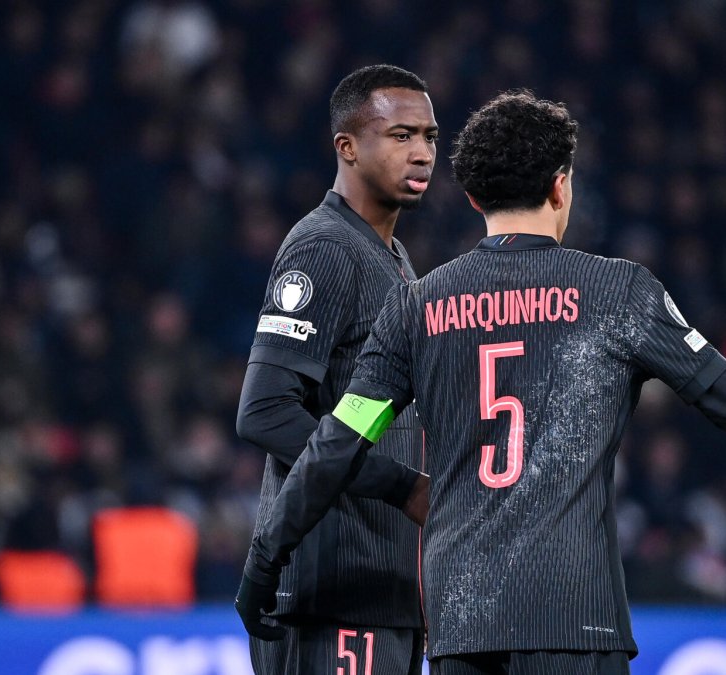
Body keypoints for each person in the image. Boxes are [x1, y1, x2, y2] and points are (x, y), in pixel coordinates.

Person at [237, 91, 726, 675]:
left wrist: (267, 556)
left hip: (462, 629)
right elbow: (717, 385)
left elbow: (340, 440)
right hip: (574, 623)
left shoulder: (418, 307)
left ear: (473, 197)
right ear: (560, 186)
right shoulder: (616, 292)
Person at [233, 64, 437, 675]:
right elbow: (265, 412)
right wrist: (404, 487)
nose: (422, 152)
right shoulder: (324, 247)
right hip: (331, 593)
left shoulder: (394, 257)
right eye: (401, 135)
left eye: (429, 136)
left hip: (386, 591)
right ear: (347, 147)